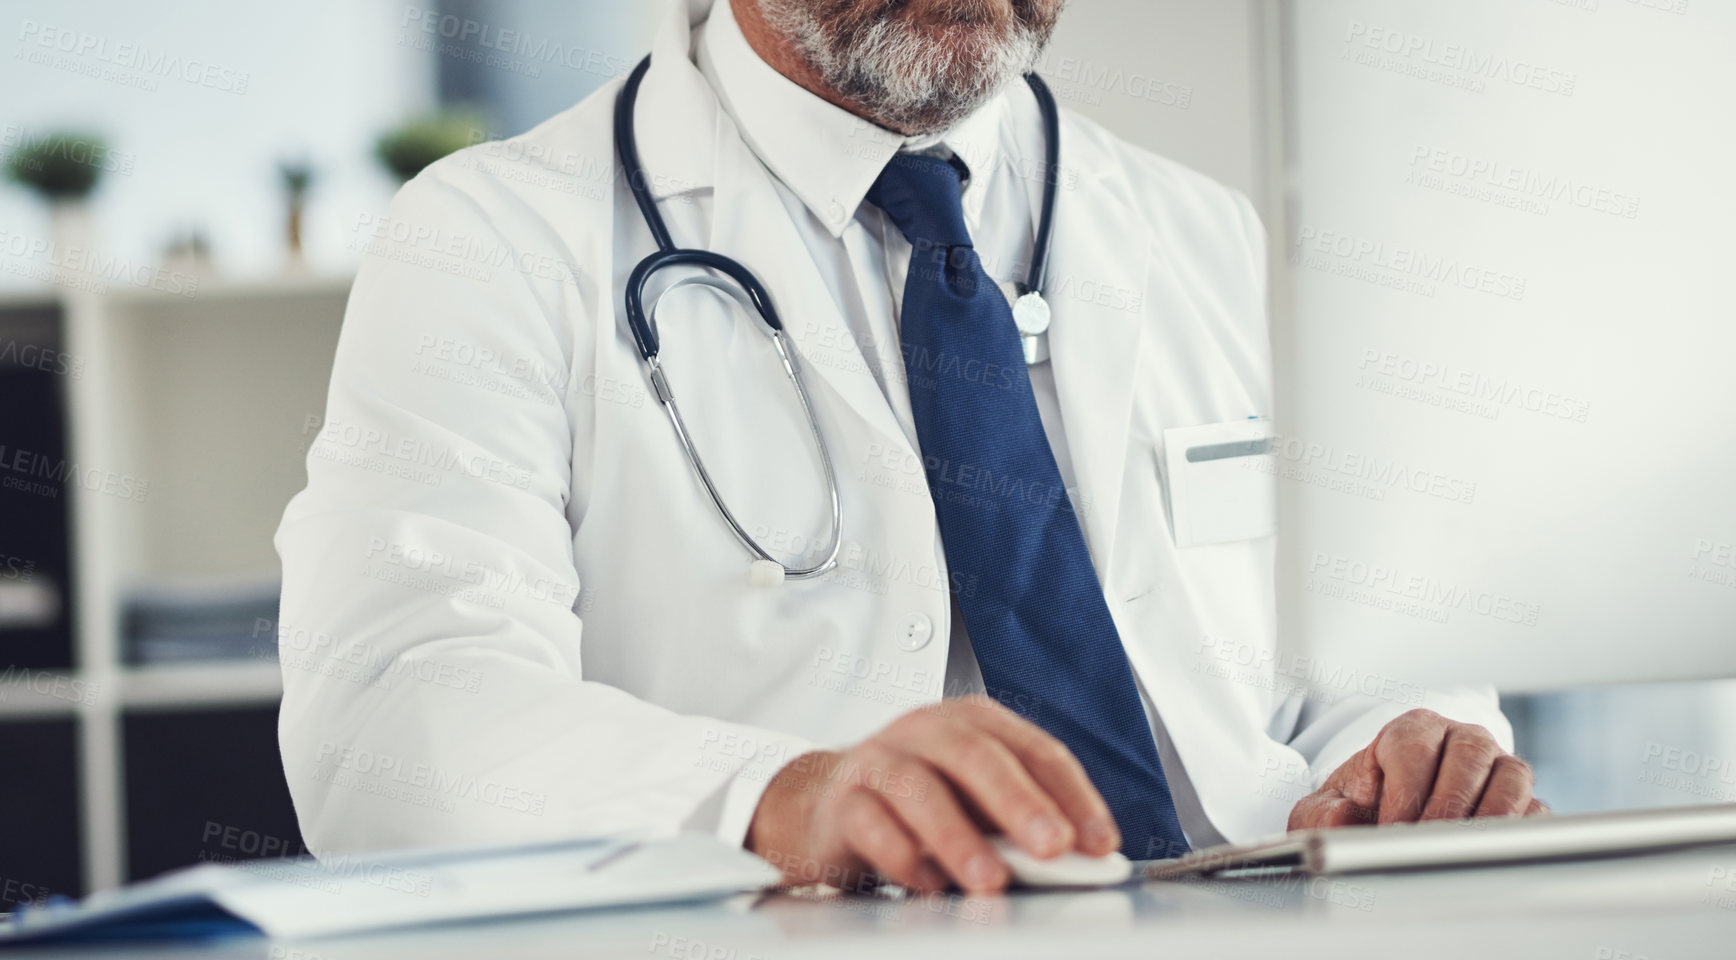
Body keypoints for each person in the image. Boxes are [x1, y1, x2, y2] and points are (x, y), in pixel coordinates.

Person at [276, 0, 1543, 895]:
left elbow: (1354, 651)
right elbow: (392, 718)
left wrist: (1411, 741)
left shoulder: (1201, 230)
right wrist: (785, 800)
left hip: (1266, 914)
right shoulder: (491, 242)